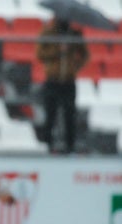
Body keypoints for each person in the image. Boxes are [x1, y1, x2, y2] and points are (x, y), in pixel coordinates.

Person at [36, 17, 89, 154]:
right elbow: (40, 54)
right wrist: (59, 50)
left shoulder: (75, 35)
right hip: (52, 79)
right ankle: (47, 144)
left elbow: (84, 54)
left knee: (69, 115)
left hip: (68, 80)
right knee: (50, 114)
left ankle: (69, 145)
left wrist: (75, 67)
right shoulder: (48, 33)